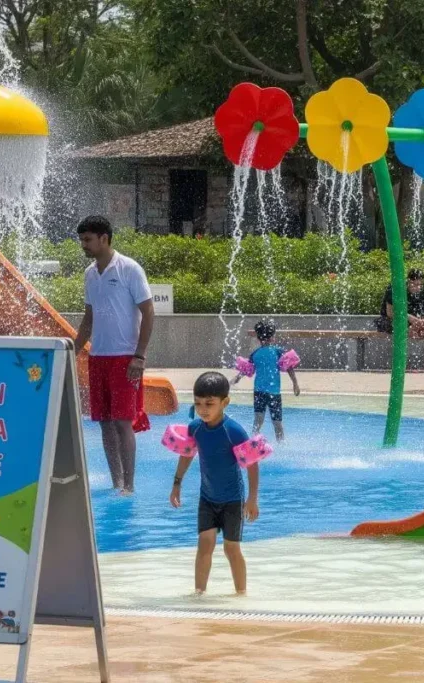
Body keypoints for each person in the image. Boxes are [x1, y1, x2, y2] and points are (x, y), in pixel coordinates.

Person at [74, 216, 154, 495]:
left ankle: (129, 485)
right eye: (82, 240)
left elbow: (148, 312)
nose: (83, 245)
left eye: (88, 240)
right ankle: (116, 482)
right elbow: (88, 319)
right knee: (105, 422)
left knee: (122, 421)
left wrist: (139, 356)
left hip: (125, 357)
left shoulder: (129, 269)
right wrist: (73, 351)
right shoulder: (89, 274)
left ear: (104, 239)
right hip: (98, 357)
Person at [169, 372, 258, 595]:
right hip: (207, 497)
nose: (203, 409)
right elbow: (187, 454)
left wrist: (252, 499)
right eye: (198, 404)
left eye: (209, 404)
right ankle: (199, 593)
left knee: (231, 548)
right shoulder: (196, 428)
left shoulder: (233, 431)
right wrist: (177, 483)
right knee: (205, 544)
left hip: (232, 499)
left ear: (224, 403)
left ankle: (241, 594)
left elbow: (252, 464)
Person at [234, 319, 300, 442]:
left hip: (259, 391)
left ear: (258, 338)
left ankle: (253, 442)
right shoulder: (277, 352)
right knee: (277, 422)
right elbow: (289, 367)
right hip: (273, 393)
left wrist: (236, 379)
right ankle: (280, 444)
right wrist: (295, 383)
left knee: (258, 420)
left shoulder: (256, 353)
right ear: (273, 337)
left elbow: (246, 369)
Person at [375, 269, 424, 373]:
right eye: (415, 284)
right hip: (392, 322)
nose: (418, 287)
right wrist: (410, 319)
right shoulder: (395, 287)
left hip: (413, 323)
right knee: (400, 325)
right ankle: (399, 367)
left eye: (420, 284)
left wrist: (421, 324)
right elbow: (390, 313)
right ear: (408, 281)